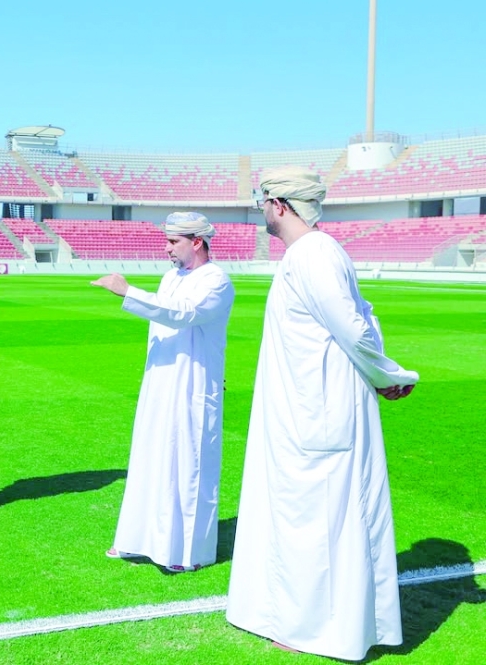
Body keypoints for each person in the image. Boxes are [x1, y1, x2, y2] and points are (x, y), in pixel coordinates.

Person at [226, 166, 418, 660]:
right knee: (302, 516)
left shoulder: (315, 254)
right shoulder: (309, 254)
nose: (261, 209)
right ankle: (301, 620)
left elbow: (354, 327)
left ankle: (323, 630)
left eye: (264, 200)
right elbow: (362, 317)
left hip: (320, 412)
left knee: (321, 521)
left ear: (282, 205)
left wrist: (388, 376)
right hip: (302, 409)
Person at [92, 212, 234, 571]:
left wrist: (128, 292)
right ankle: (137, 540)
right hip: (159, 381)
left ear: (196, 242)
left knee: (188, 463)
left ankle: (187, 553)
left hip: (192, 384)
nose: (166, 247)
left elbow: (184, 314)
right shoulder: (170, 276)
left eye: (174, 241)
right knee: (150, 457)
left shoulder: (216, 280)